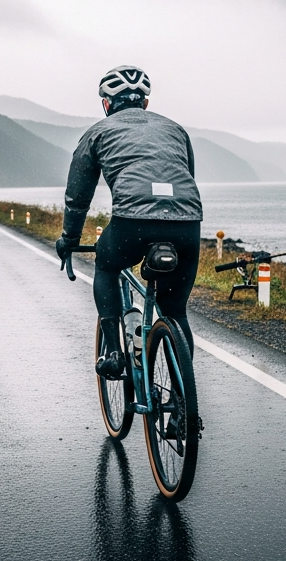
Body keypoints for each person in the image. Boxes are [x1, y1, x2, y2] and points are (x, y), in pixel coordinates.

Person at [55, 66, 203, 378]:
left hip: (131, 223)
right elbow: (187, 174)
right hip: (186, 222)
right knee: (175, 311)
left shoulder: (97, 132)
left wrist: (69, 240)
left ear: (107, 104)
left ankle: (113, 353)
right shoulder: (176, 130)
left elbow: (77, 197)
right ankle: (183, 407)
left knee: (107, 265)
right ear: (145, 103)